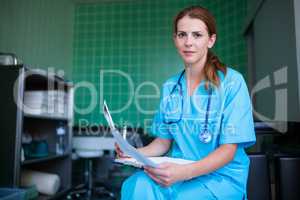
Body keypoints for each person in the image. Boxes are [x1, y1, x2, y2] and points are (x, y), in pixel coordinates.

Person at [116, 5, 256, 200]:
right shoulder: (170, 86)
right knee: (136, 185)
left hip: (219, 178)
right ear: (175, 40)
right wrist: (132, 153)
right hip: (177, 171)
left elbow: (228, 150)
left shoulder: (232, 82)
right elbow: (163, 143)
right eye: (182, 35)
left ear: (211, 40)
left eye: (197, 35)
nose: (188, 42)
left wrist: (184, 173)